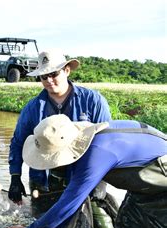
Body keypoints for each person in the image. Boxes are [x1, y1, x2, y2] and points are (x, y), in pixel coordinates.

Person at [7, 114, 167, 228]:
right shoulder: (82, 140)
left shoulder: (96, 153)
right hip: (142, 192)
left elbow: (70, 201)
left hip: (162, 190)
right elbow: (73, 197)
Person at [8, 50, 112, 215]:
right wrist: (15, 176)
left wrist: (101, 181)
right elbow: (18, 141)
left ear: (67, 70)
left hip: (83, 177)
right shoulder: (32, 108)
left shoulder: (93, 101)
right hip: (43, 179)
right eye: (43, 76)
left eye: (54, 74)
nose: (49, 80)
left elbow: (107, 143)